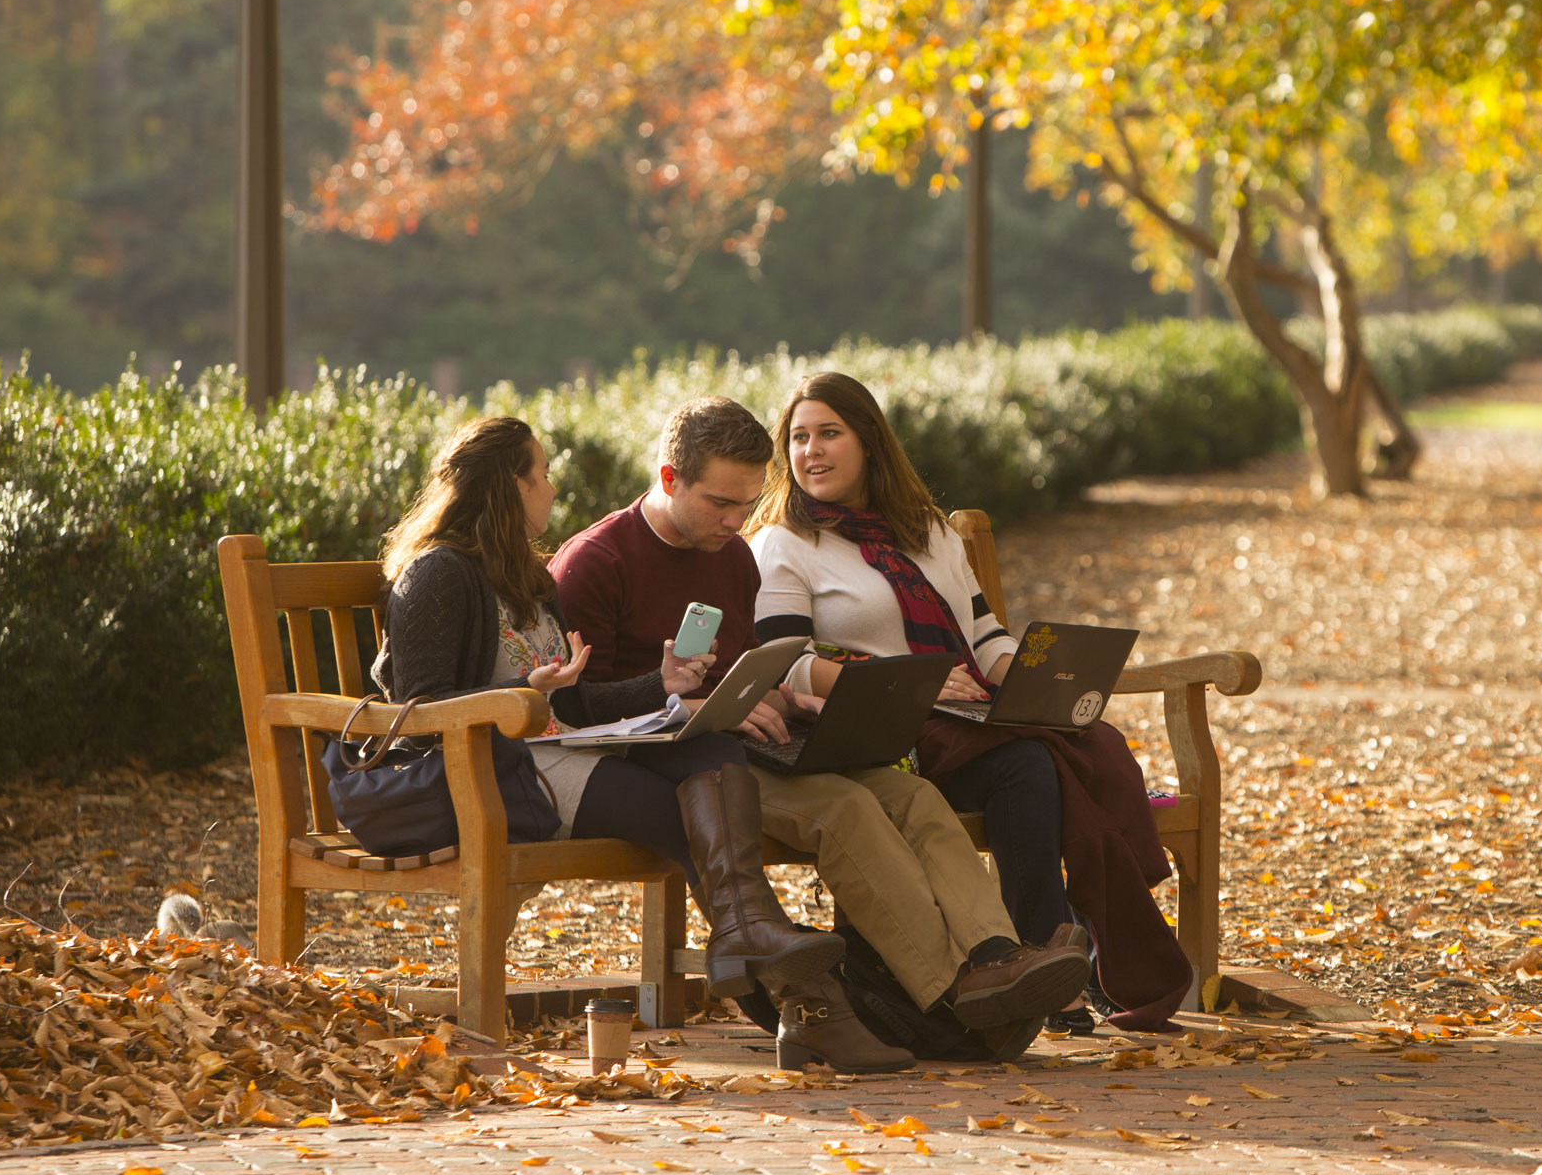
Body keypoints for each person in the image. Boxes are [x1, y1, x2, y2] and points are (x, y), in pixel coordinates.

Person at [550, 397, 1090, 1066]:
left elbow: (752, 667)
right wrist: (680, 707)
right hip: (681, 771)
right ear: (668, 479)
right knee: (845, 809)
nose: (736, 522)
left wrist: (795, 698)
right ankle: (950, 994)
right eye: (721, 503)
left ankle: (995, 956)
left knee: (911, 796)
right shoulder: (595, 563)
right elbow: (566, 714)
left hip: (759, 745)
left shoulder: (730, 558)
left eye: (747, 504)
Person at [370, 416, 848, 1037]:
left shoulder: (526, 575)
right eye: (541, 476)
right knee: (690, 807)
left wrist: (664, 683)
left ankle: (762, 961)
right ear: (508, 488)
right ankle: (787, 988)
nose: (552, 490)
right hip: (479, 768)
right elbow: (418, 708)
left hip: (548, 752)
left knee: (709, 760)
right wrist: (520, 693)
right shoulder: (436, 572)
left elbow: (574, 704)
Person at [744, 372, 1192, 1033]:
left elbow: (984, 635)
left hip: (969, 712)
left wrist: (1026, 681)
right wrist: (910, 679)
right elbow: (787, 663)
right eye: (799, 438)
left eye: (829, 434)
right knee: (1029, 766)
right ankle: (1052, 958)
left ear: (868, 440)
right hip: (884, 726)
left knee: (1093, 746)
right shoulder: (784, 543)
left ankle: (1059, 956)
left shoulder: (925, 530)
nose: (811, 451)